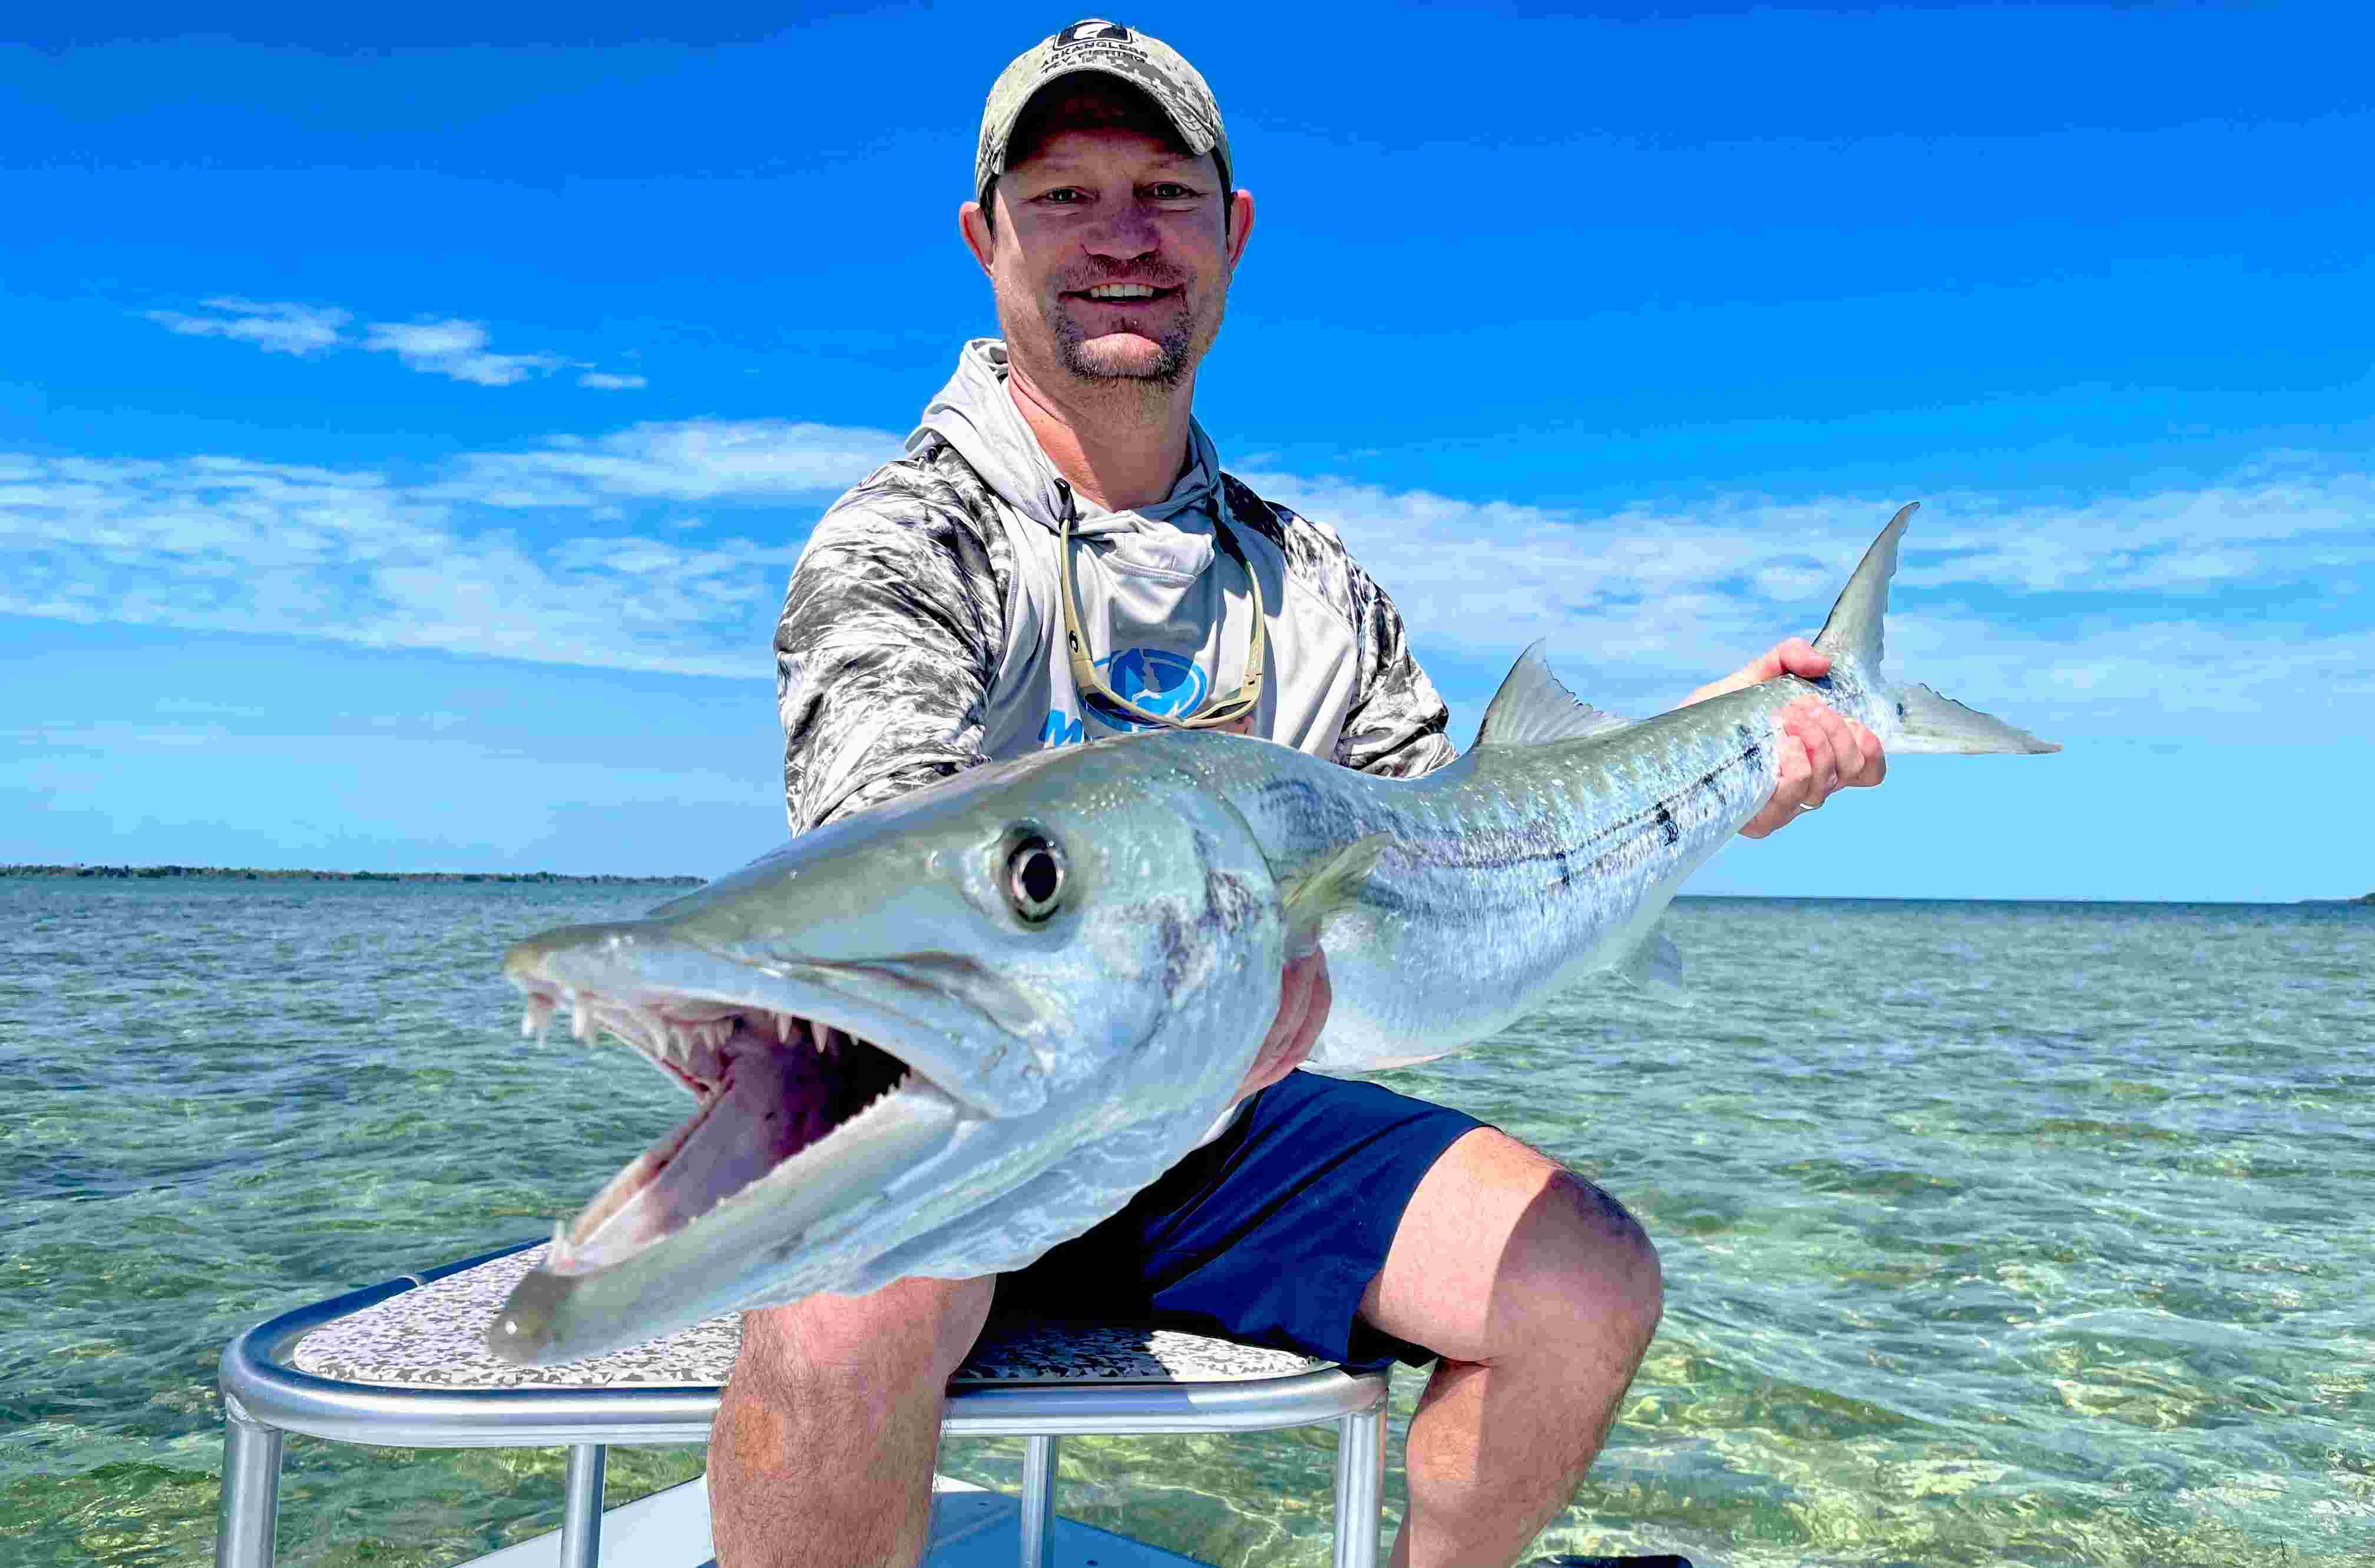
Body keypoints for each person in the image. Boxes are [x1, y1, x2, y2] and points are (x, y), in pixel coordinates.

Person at [712, 22, 1884, 1568]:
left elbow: (1459, 842)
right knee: (840, 1321)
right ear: (984, 235)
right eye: (1064, 197)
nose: (1122, 238)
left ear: (1232, 231)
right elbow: (900, 871)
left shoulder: (1315, 582)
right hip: (960, 1121)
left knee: (1583, 1285)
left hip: (1218, 1123)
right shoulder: (898, 546)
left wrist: (1718, 745)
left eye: (1164, 193)